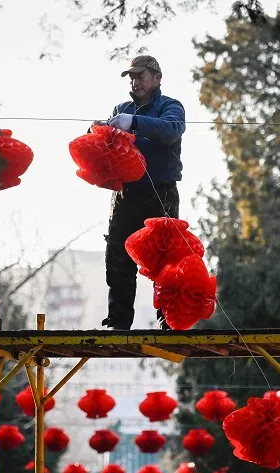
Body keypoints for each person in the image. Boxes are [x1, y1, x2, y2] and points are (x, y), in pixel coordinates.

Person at [97, 55, 186, 330]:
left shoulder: (171, 107)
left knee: (166, 258)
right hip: (126, 194)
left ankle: (168, 321)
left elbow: (171, 131)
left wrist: (134, 122)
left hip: (161, 193)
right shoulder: (120, 108)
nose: (135, 81)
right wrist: (98, 130)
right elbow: (108, 146)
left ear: (157, 78)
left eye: (140, 75)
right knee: (118, 255)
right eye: (132, 77)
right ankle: (118, 321)